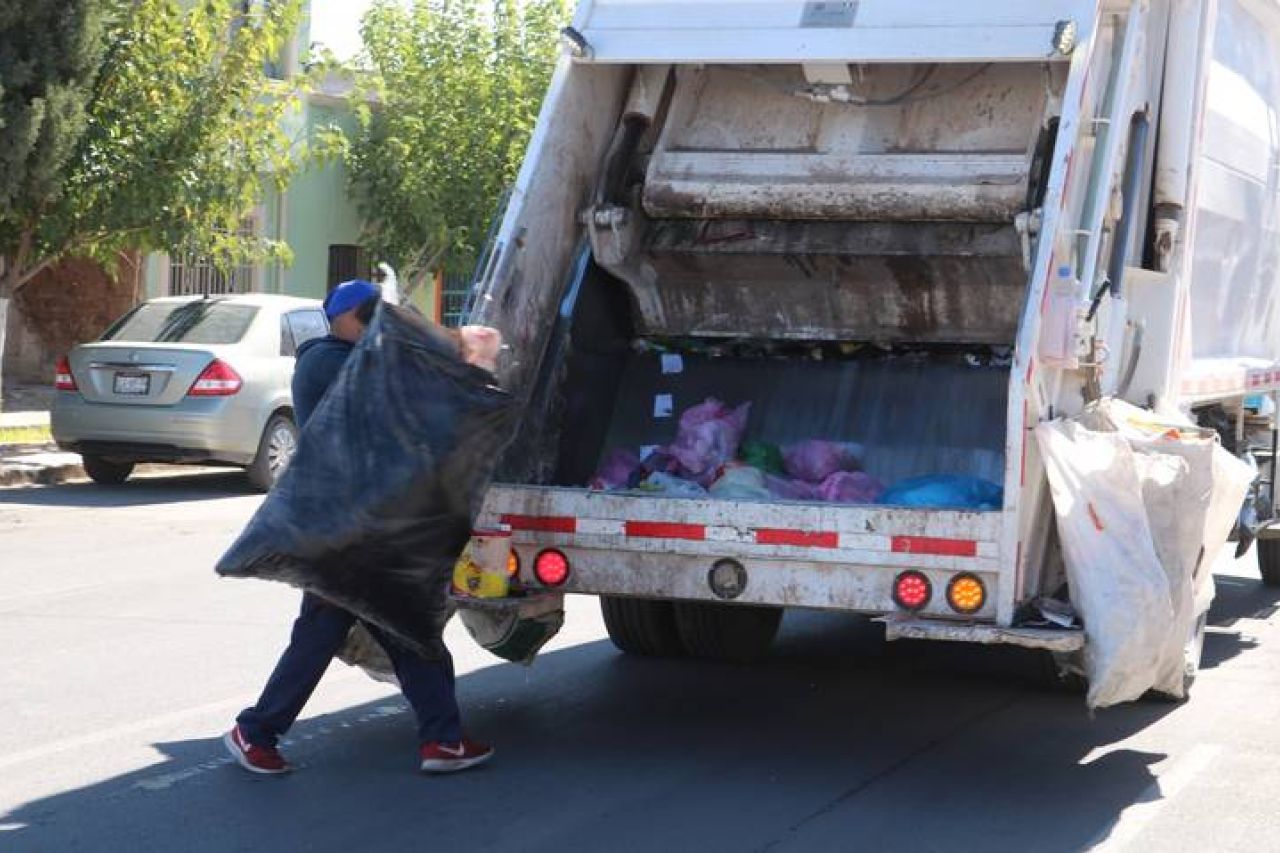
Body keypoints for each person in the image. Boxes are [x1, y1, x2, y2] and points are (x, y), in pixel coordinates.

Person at [223, 279, 493, 776]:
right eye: (375, 316)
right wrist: (456, 348)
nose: (379, 325)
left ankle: (442, 738)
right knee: (380, 630)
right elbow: (406, 384)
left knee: (403, 630)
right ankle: (257, 729)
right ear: (356, 319)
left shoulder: (352, 360)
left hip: (362, 532)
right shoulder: (330, 362)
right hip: (341, 536)